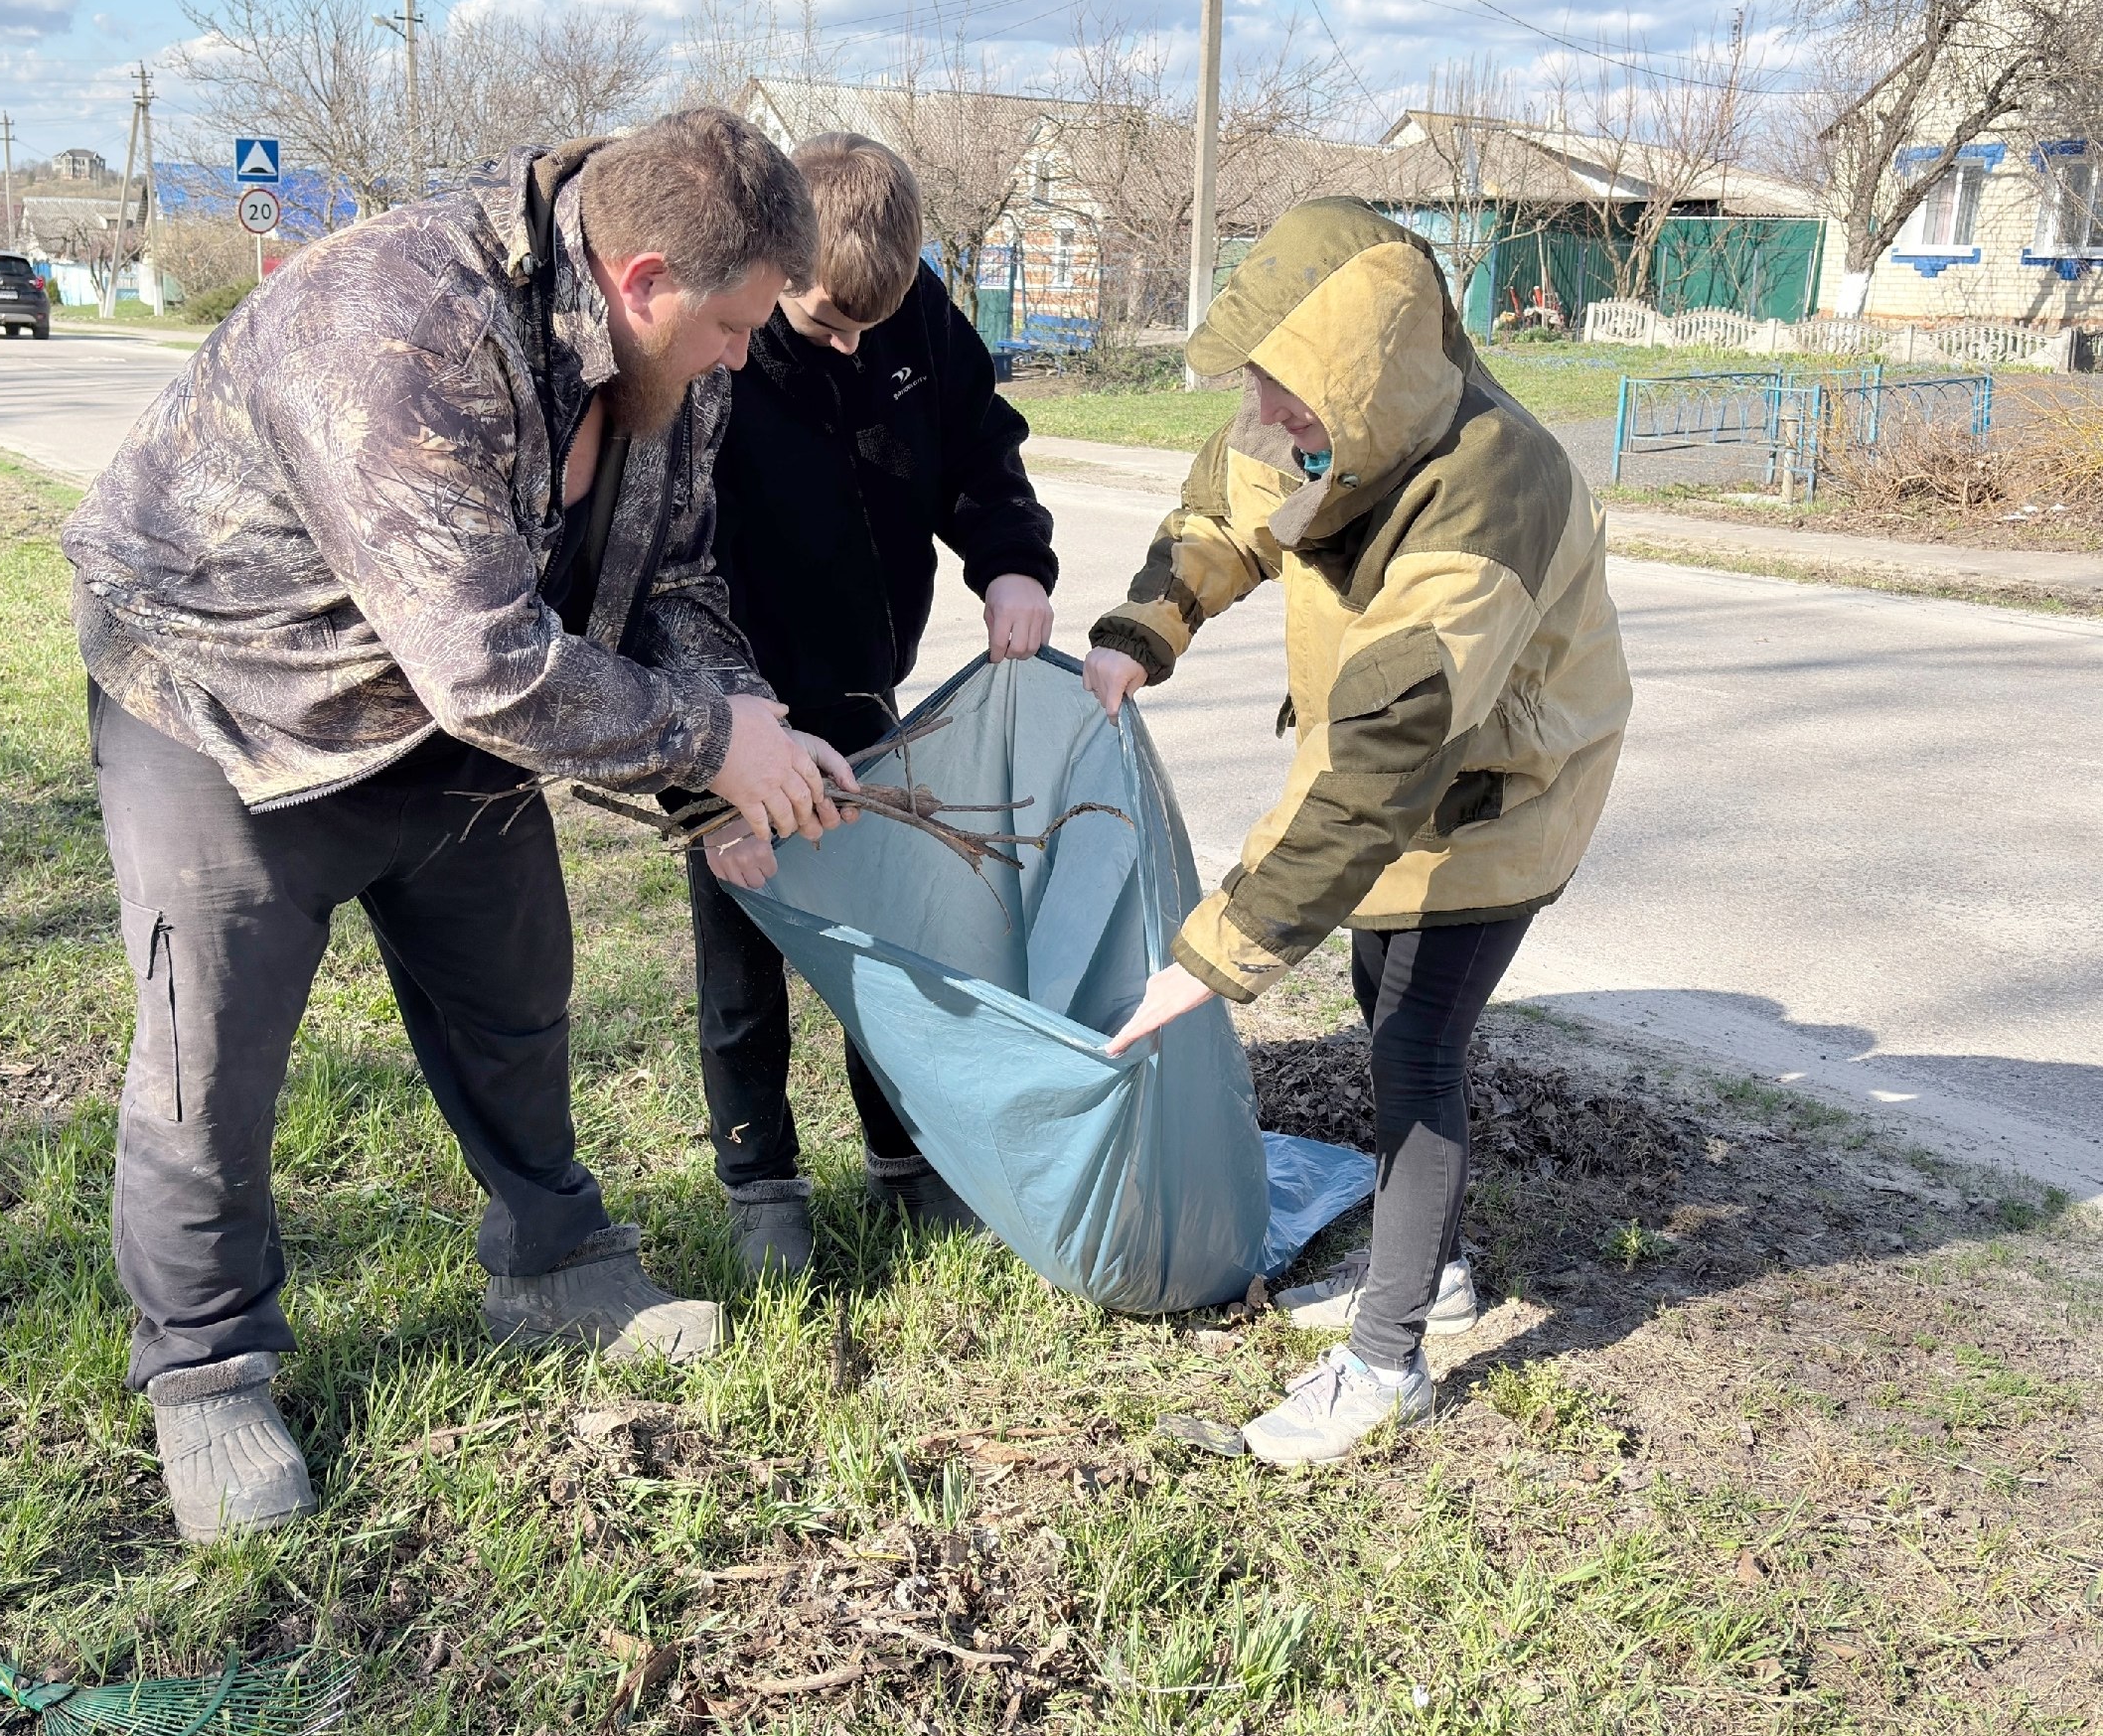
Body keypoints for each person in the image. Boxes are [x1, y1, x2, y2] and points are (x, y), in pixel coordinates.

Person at [61, 110, 859, 1541]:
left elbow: (675, 576)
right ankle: (208, 1368)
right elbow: (488, 658)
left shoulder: (681, 363)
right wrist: (700, 741)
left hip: (439, 703)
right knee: (212, 1044)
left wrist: (731, 751)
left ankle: (553, 1262)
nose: (748, 354)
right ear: (646, 279)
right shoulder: (398, 324)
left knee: (516, 982)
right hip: (226, 688)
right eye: (736, 325)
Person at [1085, 199, 1630, 1466]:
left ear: (1366, 378)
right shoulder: (1323, 420)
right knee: (1390, 1008)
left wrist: (1216, 953)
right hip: (1409, 786)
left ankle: (1387, 1362)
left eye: (1292, 403)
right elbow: (1230, 506)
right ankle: (1427, 1272)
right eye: (1262, 397)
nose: (1271, 428)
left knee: (1415, 1049)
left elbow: (1384, 751)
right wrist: (1144, 629)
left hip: (1502, 795)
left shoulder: (1496, 486)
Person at [684, 133, 1058, 1278]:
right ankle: (762, 1183)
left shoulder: (909, 315)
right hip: (732, 702)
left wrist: (1011, 562)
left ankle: (908, 1154)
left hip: (860, 689)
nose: (851, 342)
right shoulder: (717, 351)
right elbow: (663, 570)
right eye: (826, 323)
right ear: (777, 266)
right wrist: (705, 785)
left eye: (870, 324)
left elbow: (978, 449)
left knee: (889, 940)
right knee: (743, 955)